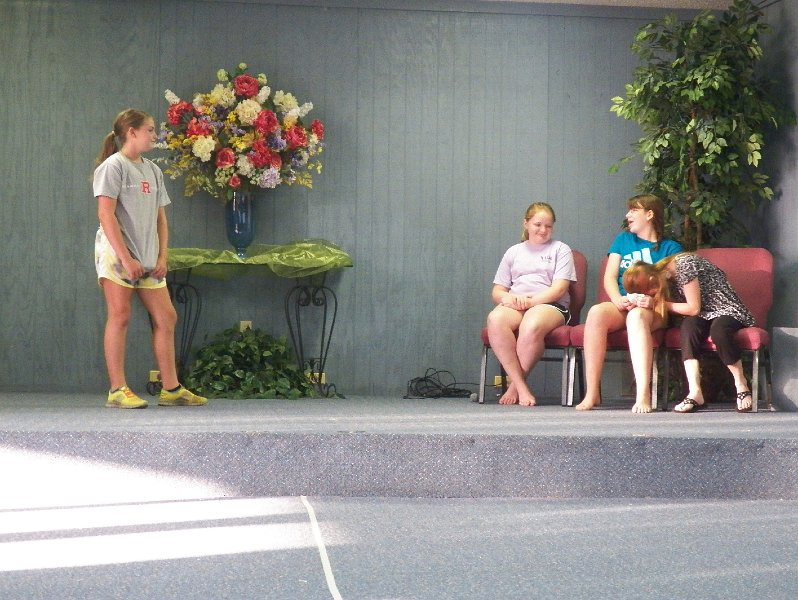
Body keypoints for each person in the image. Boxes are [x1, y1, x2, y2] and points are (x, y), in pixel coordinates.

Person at [93, 108, 207, 409]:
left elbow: (161, 220)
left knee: (167, 317)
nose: (155, 135)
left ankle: (171, 389)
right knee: (120, 315)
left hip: (148, 255)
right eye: (150, 130)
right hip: (117, 254)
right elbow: (105, 215)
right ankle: (117, 390)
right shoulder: (113, 167)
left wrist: (162, 256)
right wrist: (126, 258)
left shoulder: (154, 171)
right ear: (131, 132)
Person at [574, 194, 682, 413]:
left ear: (649, 214)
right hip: (624, 303)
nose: (627, 215)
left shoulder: (670, 248)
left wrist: (651, 301)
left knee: (636, 316)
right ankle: (592, 392)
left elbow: (675, 289)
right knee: (596, 312)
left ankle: (643, 394)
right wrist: (618, 299)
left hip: (653, 309)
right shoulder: (623, 240)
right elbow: (610, 277)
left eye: (634, 210)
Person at [622, 253, 755, 413]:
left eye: (652, 289)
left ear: (653, 278)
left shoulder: (683, 264)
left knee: (719, 331)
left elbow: (693, 308)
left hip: (726, 309)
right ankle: (695, 391)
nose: (654, 292)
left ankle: (741, 385)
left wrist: (656, 303)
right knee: (688, 328)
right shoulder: (662, 280)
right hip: (701, 315)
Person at [486, 202, 577, 407]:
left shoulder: (561, 249)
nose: (543, 230)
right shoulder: (513, 252)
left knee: (531, 323)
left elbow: (559, 289)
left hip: (550, 305)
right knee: (495, 319)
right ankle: (520, 385)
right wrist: (507, 299)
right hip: (518, 303)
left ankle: (513, 388)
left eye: (548, 226)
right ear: (526, 223)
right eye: (538, 224)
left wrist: (531, 302)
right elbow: (497, 291)